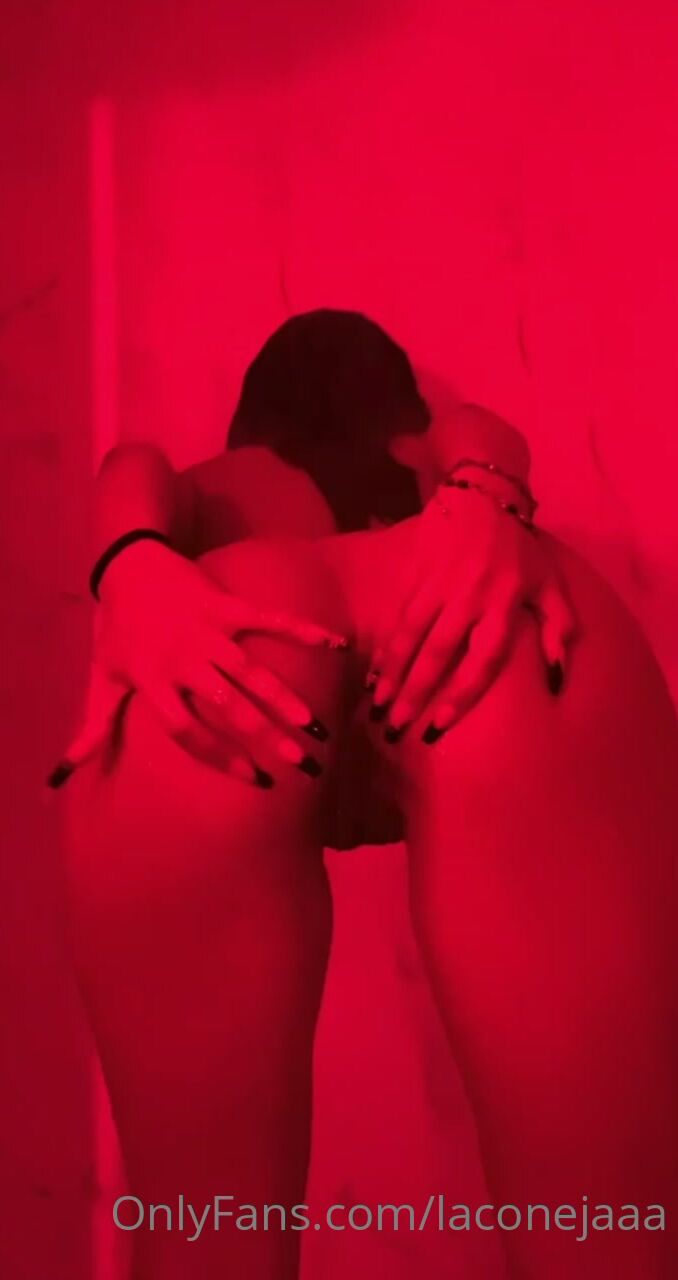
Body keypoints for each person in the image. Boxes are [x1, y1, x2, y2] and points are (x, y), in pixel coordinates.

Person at [58, 313, 678, 1279]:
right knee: (602, 1231)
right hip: (458, 601)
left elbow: (131, 467)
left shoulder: (215, 490)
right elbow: (482, 432)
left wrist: (131, 564)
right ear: (402, 421)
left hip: (222, 626)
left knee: (202, 1235)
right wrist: (487, 495)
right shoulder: (429, 466)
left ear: (248, 427)